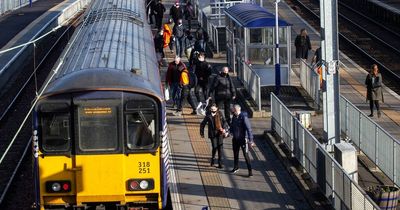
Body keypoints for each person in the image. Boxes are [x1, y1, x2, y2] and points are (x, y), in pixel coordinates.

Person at [200, 104, 228, 168]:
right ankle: (212, 160)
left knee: (220, 148)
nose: (213, 111)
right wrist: (202, 133)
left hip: (220, 133)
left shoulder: (220, 114)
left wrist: (224, 129)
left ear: (217, 108)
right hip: (212, 134)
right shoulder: (208, 115)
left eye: (214, 110)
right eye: (212, 109)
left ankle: (220, 163)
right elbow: (202, 124)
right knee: (214, 147)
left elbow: (224, 122)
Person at [229, 104, 254, 177]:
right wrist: (230, 132)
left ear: (237, 110)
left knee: (246, 155)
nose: (232, 111)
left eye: (234, 110)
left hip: (243, 139)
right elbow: (232, 126)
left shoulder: (243, 117)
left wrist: (251, 140)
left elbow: (249, 129)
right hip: (235, 139)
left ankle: (250, 171)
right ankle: (236, 167)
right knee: (235, 154)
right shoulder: (234, 116)